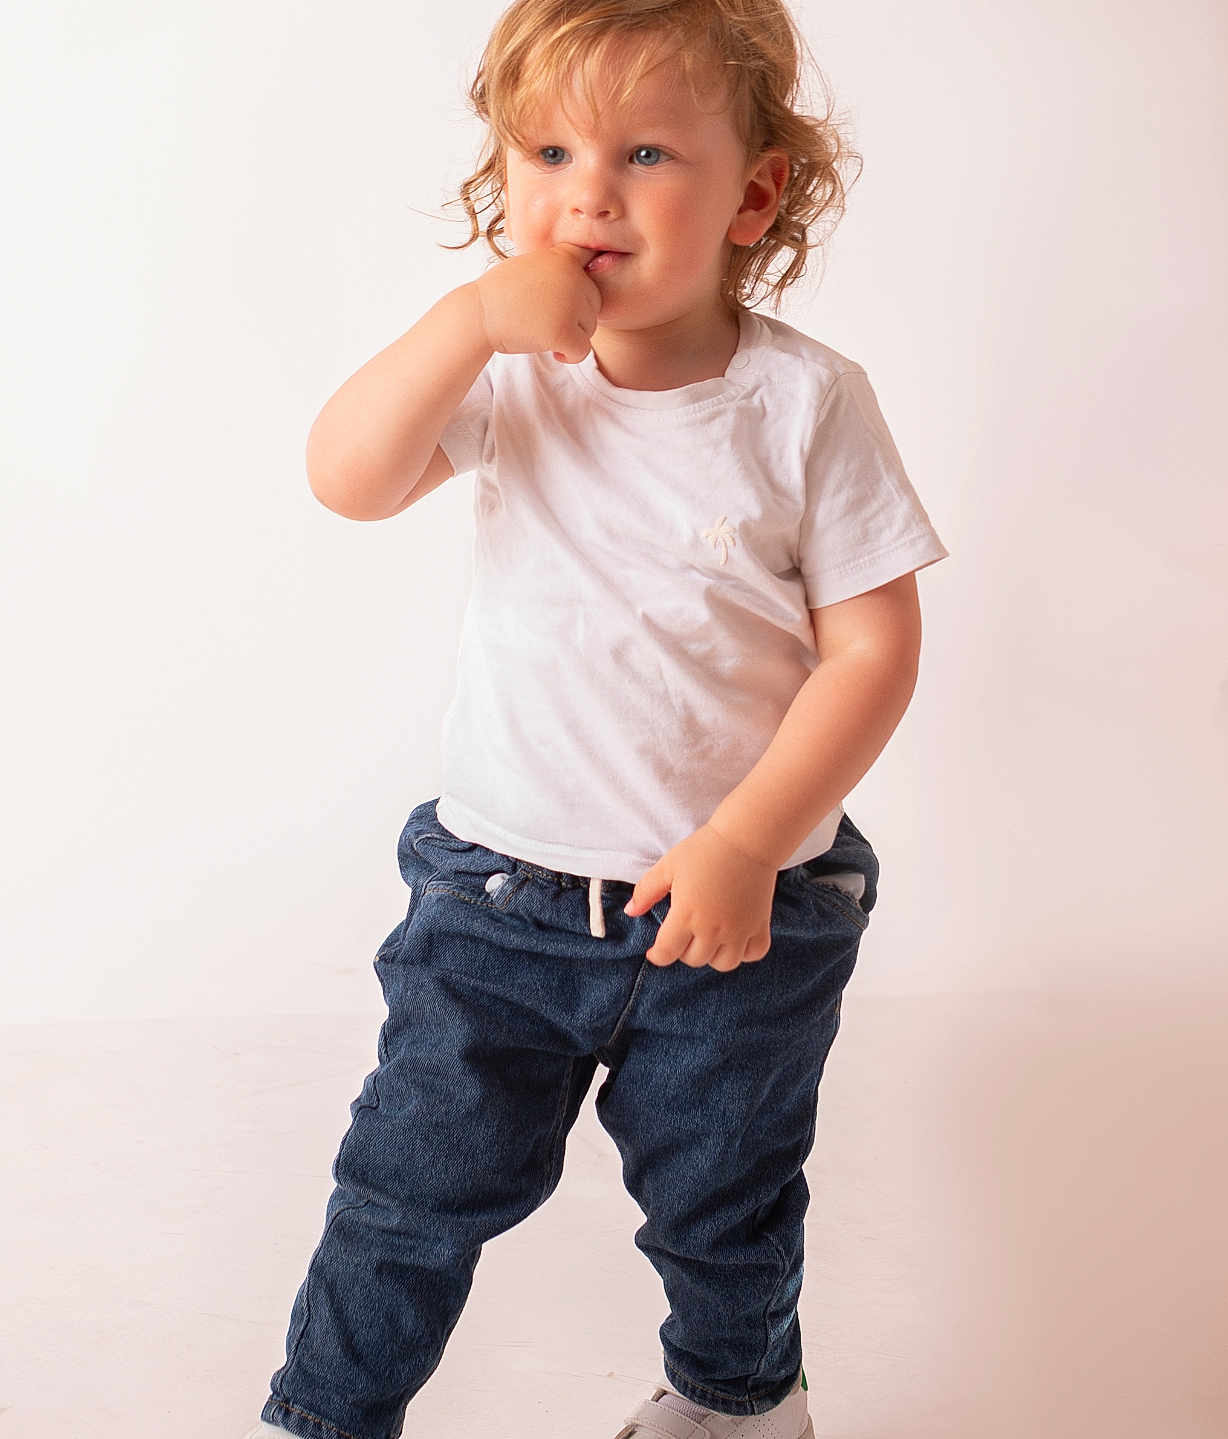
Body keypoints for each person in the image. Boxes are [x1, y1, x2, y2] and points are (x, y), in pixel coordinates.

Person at [246, 2, 948, 1436]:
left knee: (724, 1200)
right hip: (498, 898)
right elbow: (348, 479)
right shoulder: (510, 373)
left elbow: (872, 649)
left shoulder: (805, 404)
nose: (587, 192)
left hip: (746, 910)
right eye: (548, 150)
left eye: (642, 151)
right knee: (404, 1193)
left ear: (754, 195)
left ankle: (739, 1404)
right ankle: (320, 1419)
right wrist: (463, 322)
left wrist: (750, 837)